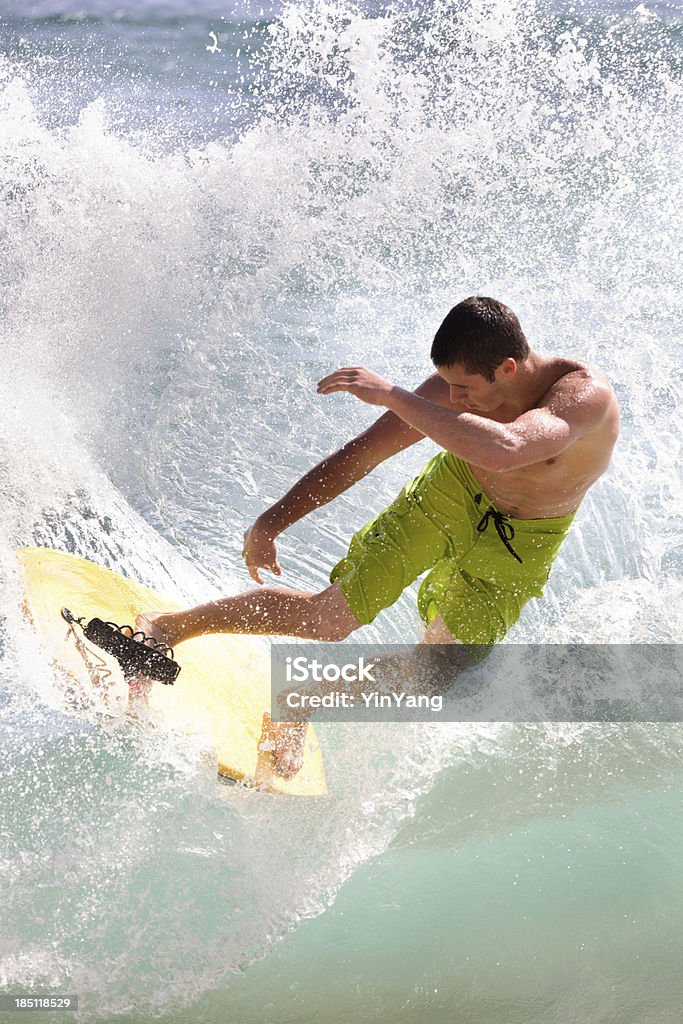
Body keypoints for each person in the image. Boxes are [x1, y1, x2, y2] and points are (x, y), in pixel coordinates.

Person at [137, 296, 620, 778]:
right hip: (452, 493)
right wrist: (272, 521)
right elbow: (363, 455)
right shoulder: (455, 388)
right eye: (447, 385)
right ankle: (165, 629)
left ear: (508, 368)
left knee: (434, 674)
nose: (453, 399)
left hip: (525, 542)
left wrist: (393, 395)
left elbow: (507, 448)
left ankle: (299, 702)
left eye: (464, 389)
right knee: (326, 619)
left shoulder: (581, 398)